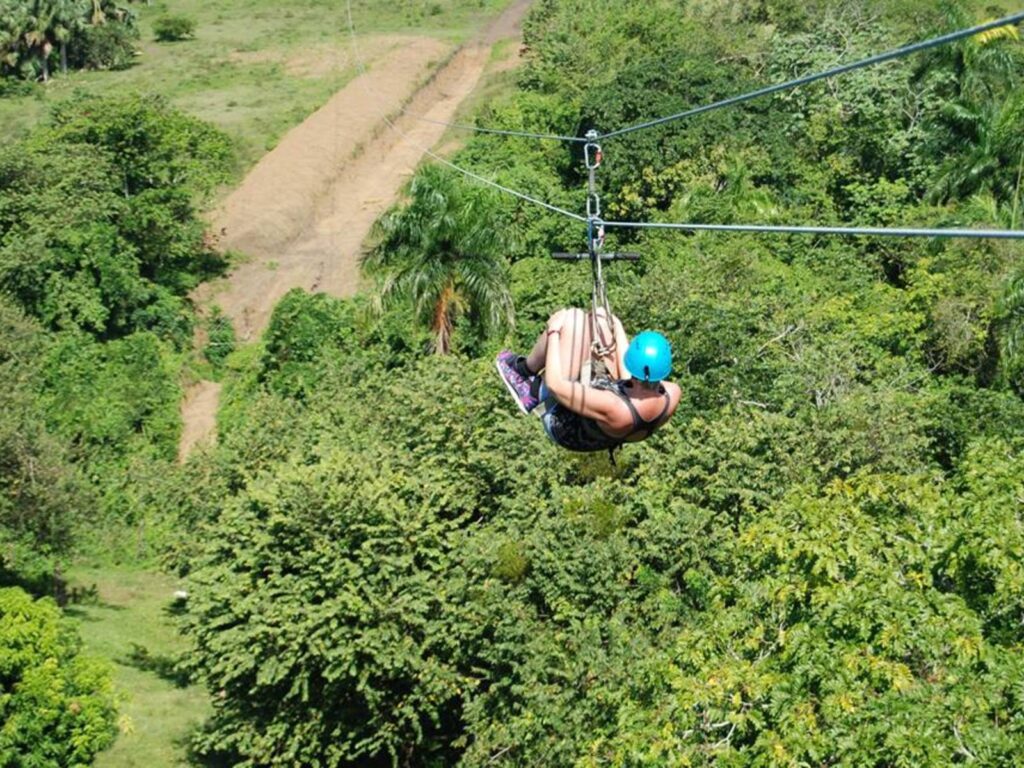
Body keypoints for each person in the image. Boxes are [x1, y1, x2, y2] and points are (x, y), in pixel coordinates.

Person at [496, 308, 681, 453]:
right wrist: (616, 327)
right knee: (602, 319)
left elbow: (556, 385)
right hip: (608, 420)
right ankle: (604, 324)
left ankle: (527, 381)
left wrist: (553, 332)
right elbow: (632, 381)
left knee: (573, 320)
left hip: (566, 425)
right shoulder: (672, 393)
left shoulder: (614, 407)